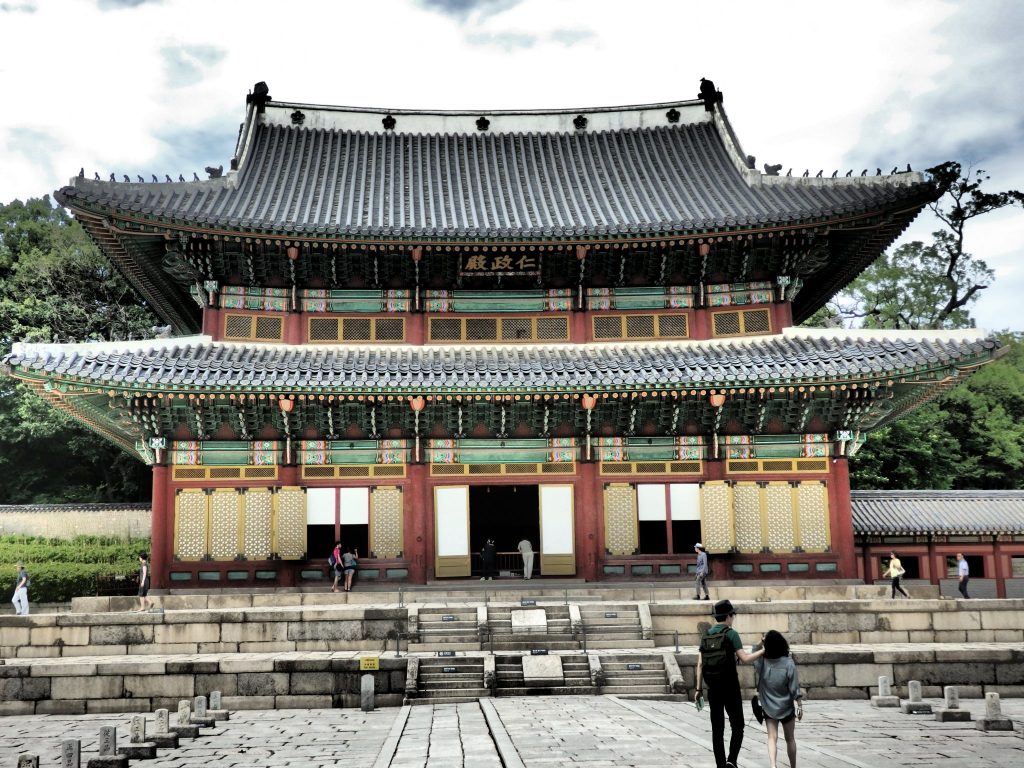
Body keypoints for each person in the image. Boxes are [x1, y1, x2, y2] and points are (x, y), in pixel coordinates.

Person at [694, 599, 765, 768]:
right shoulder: (731, 633)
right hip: (730, 687)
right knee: (738, 726)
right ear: (728, 616)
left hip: (713, 688)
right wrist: (763, 650)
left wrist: (698, 689)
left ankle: (720, 765)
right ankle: (731, 761)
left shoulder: (706, 635)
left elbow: (700, 664)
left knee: (717, 730)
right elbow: (745, 658)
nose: (733, 618)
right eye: (733, 615)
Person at [754, 629, 802, 768]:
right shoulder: (788, 663)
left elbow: (753, 651)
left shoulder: (762, 663)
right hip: (786, 707)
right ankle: (793, 766)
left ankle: (773, 765)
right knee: (790, 739)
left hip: (769, 707)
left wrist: (761, 642)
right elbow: (794, 687)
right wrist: (799, 705)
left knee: (771, 738)